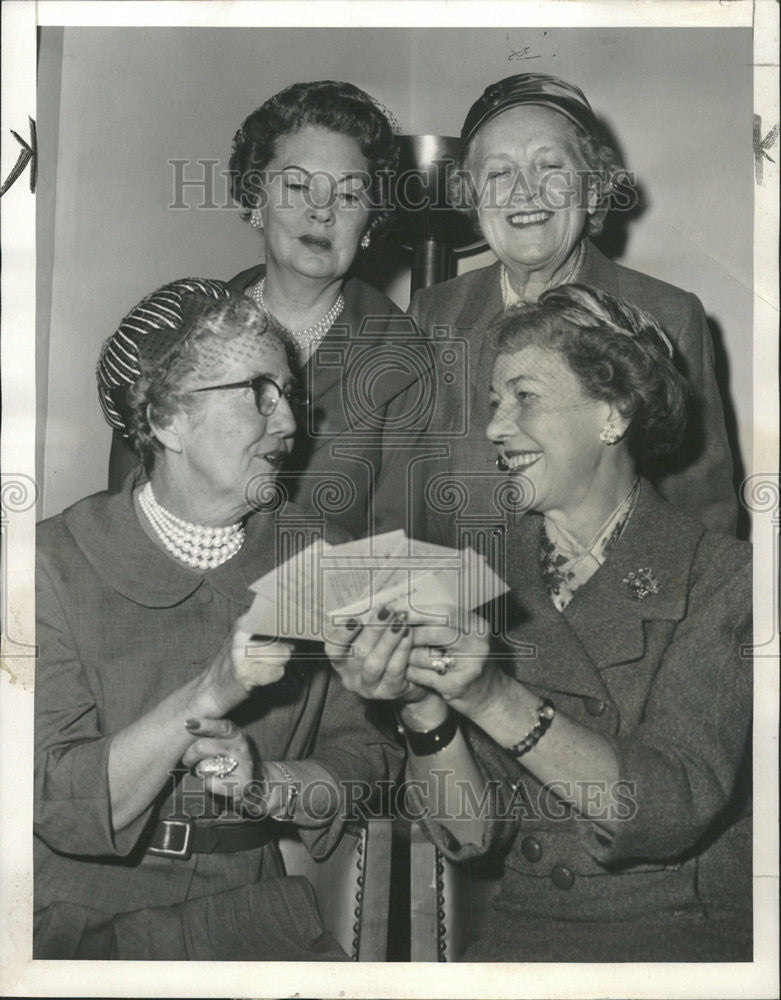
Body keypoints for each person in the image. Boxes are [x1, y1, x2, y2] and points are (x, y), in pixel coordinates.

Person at [328, 285, 752, 962]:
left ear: (612, 412)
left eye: (524, 397)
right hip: (521, 936)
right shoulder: (485, 575)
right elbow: (471, 837)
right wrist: (422, 707)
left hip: (678, 941)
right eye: (495, 403)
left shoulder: (726, 579)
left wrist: (491, 697)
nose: (495, 426)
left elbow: (669, 806)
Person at [35, 281, 402, 961]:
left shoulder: (320, 559)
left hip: (253, 917)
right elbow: (56, 801)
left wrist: (268, 783)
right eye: (257, 394)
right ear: (168, 419)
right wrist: (206, 695)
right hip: (78, 925)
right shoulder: (51, 565)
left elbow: (370, 760)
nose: (289, 423)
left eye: (288, 394)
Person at [406, 73, 737, 542]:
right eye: (499, 173)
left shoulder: (667, 314)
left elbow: (703, 515)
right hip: (460, 600)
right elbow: (403, 492)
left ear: (594, 187)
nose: (524, 191)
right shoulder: (431, 314)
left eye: (549, 168)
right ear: (472, 196)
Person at [109, 80, 425, 539]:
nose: (323, 212)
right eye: (298, 185)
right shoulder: (179, 322)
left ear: (371, 222)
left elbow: (402, 553)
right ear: (258, 198)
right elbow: (125, 505)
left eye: (350, 195)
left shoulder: (404, 361)